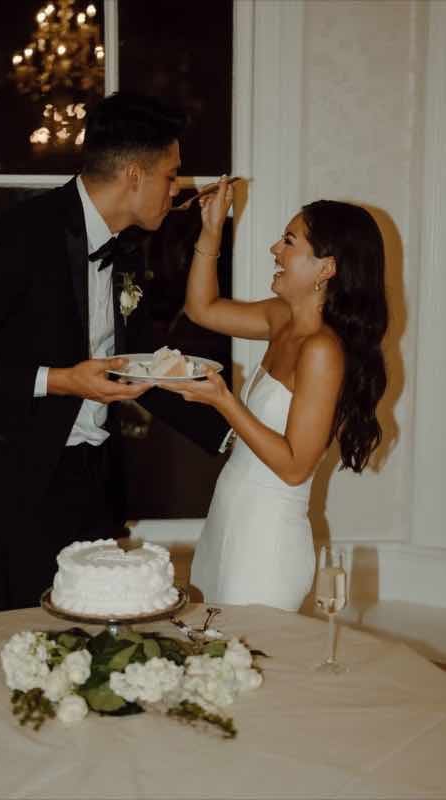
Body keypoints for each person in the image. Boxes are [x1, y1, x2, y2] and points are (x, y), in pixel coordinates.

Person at [0, 92, 229, 612]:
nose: (178, 188)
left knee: (102, 632)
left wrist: (233, 430)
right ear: (134, 175)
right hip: (18, 479)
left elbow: (134, 358)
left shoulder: (123, 244)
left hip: (93, 476)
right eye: (171, 175)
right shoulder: (13, 240)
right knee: (33, 642)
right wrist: (60, 380)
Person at [161, 178, 388, 610]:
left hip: (265, 541)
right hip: (229, 516)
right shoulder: (282, 317)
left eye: (289, 241)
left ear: (327, 268)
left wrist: (224, 401)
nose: (275, 250)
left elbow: (294, 467)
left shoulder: (322, 350)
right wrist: (212, 231)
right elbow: (201, 309)